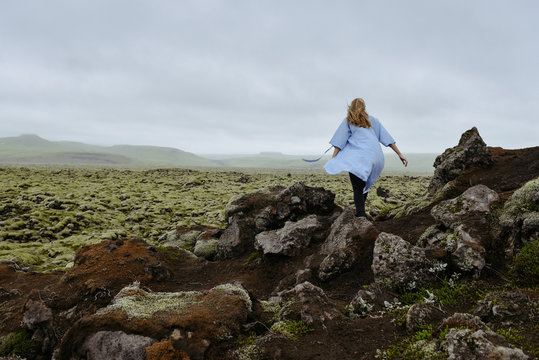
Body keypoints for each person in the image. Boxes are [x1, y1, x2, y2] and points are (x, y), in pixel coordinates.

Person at [324, 98, 408, 218]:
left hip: (358, 158)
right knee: (364, 185)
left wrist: (333, 159)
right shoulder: (372, 120)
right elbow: (387, 138)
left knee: (357, 188)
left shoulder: (348, 121)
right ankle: (361, 212)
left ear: (350, 107)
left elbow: (339, 141)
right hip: (375, 157)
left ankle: (360, 216)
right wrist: (399, 154)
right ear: (364, 108)